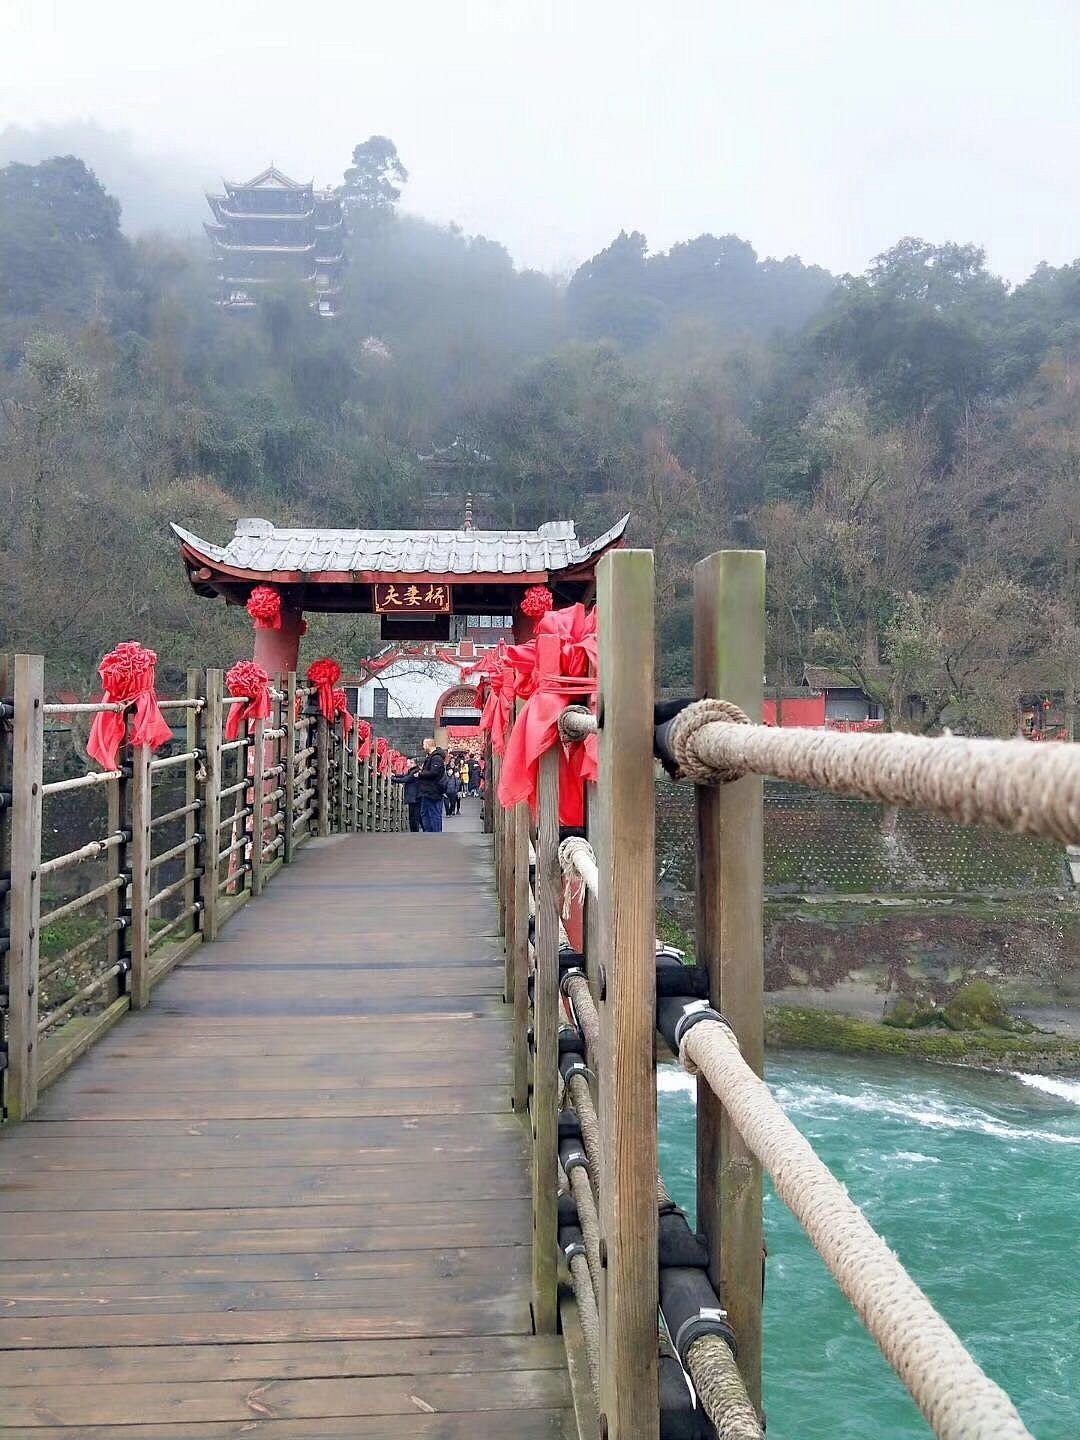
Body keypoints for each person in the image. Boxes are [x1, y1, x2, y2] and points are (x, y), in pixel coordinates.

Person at [416, 737, 446, 833]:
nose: (423, 746)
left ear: (428, 745)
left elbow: (434, 772)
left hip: (432, 790)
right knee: (425, 813)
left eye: (424, 744)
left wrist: (420, 774)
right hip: (428, 790)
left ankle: (435, 833)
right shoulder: (432, 757)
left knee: (433, 813)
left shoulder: (436, 758)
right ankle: (429, 832)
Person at [391, 757, 422, 832]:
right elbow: (404, 776)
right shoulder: (412, 771)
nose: (409, 764)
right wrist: (395, 775)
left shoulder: (415, 772)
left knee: (414, 817)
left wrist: (392, 778)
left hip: (414, 797)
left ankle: (415, 832)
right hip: (413, 797)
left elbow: (406, 779)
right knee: (414, 817)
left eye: (411, 763)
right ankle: (415, 831)